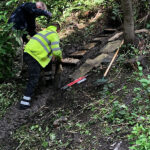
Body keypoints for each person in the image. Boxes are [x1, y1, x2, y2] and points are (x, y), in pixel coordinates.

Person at [20, 23, 62, 110]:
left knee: (48, 63)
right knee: (34, 78)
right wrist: (60, 59)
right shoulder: (54, 34)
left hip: (27, 53)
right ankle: (24, 102)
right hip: (35, 56)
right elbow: (57, 52)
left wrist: (52, 57)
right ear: (58, 30)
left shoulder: (43, 32)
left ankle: (49, 81)